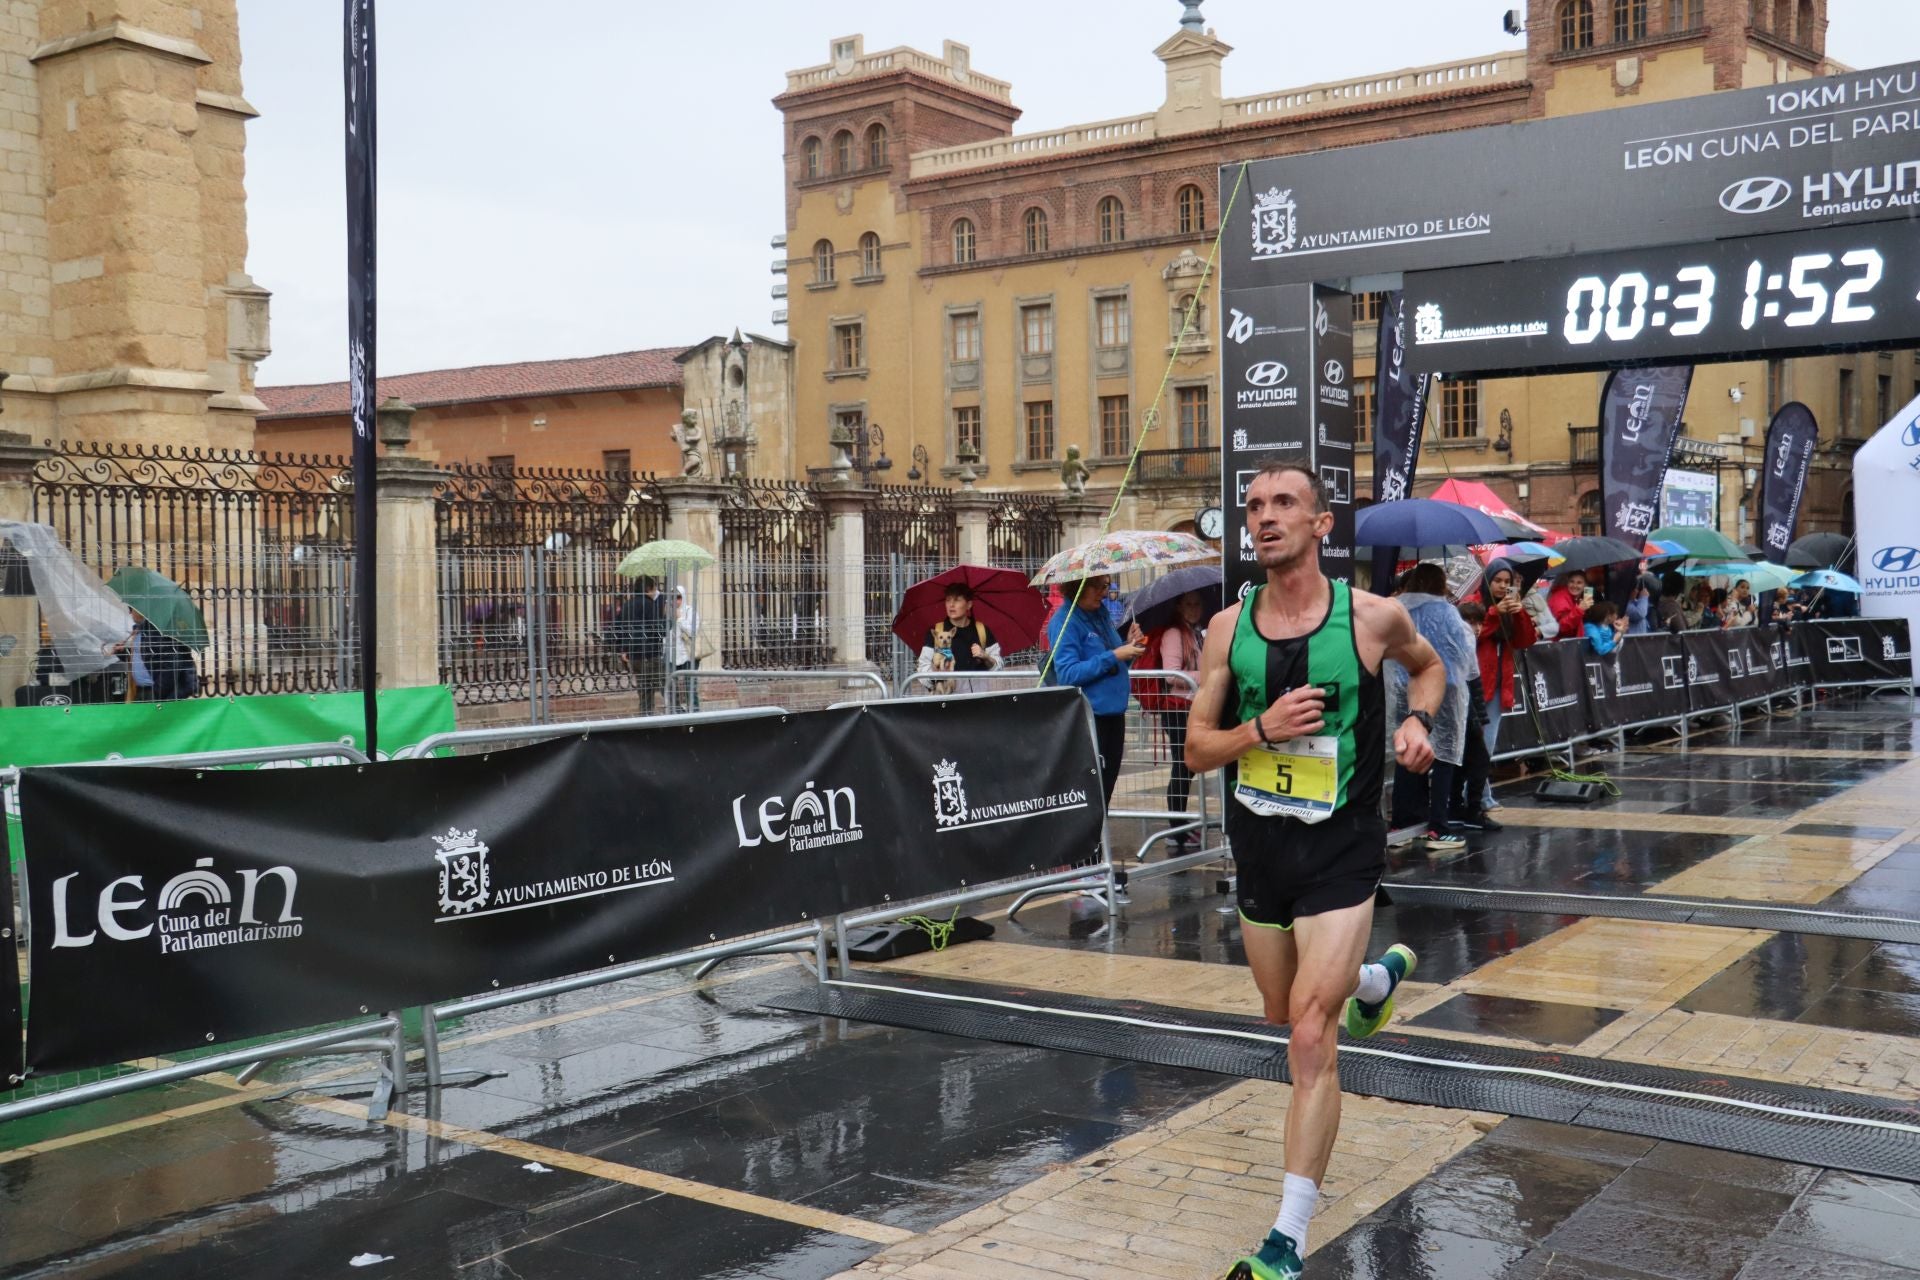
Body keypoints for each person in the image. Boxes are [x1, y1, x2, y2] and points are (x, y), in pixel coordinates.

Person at [1184, 462, 1442, 1280]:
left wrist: (1418, 723)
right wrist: (1258, 728)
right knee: (1278, 1008)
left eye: (1284, 504)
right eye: (1254, 506)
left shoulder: (1372, 618)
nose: (1265, 518)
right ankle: (1374, 982)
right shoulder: (1228, 630)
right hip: (1263, 846)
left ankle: (1285, 1241)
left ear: (1322, 524)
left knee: (1307, 1034)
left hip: (1344, 844)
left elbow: (1429, 668)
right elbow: (1195, 749)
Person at [1385, 564, 1471, 855]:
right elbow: (1465, 655)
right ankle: (1438, 826)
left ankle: (1401, 824)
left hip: (1401, 689)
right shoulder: (1448, 612)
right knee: (1442, 757)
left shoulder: (1395, 608)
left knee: (1405, 752)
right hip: (1444, 692)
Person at [1046, 573, 1143, 811]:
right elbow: (1068, 673)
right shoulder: (1064, 621)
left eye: (1106, 585)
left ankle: (1100, 844)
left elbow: (1113, 663)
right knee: (1090, 790)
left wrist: (1127, 647)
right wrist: (1115, 655)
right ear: (1079, 588)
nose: (1104, 592)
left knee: (1106, 788)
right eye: (1098, 586)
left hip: (1113, 714)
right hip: (1090, 717)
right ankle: (1090, 845)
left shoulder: (1102, 614)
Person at [1138, 590, 1206, 849]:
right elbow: (1171, 675)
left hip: (1191, 706)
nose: (1194, 608)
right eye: (1188, 604)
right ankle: (1176, 829)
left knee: (1187, 767)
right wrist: (1207, 675)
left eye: (1197, 604)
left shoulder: (1197, 633)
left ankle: (1181, 826)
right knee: (1182, 765)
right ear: (1179, 607)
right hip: (1177, 709)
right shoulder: (1174, 634)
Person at [1474, 557, 1537, 816]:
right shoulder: (1476, 607)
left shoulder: (1512, 609)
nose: (1502, 587)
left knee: (1487, 744)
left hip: (1499, 684)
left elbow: (1526, 640)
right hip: (1476, 683)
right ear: (1487, 582)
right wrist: (1493, 613)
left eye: (1507, 582)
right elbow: (1473, 636)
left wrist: (1518, 612)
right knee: (1477, 744)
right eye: (1497, 581)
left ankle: (1479, 794)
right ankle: (1478, 796)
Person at [1451, 601, 1499, 834]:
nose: (1476, 627)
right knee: (1477, 760)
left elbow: (1476, 688)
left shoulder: (1470, 645)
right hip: (1460, 712)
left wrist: (1480, 718)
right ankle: (1470, 809)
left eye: (1480, 622)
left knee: (1465, 761)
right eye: (1471, 622)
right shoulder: (1460, 645)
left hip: (1469, 713)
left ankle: (1461, 809)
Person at [917, 582, 1003, 694]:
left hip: (979, 701)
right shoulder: (937, 631)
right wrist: (938, 674)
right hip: (946, 702)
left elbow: (998, 666)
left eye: (957, 600)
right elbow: (922, 669)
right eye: (948, 600)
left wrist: (986, 657)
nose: (951, 605)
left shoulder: (982, 630)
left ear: (969, 604)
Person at [612, 577, 669, 713]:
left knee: (644, 691)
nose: (656, 592)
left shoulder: (626, 605)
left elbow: (618, 629)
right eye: (654, 588)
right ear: (648, 589)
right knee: (666, 685)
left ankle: (645, 717)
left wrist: (623, 649)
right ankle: (677, 713)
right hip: (650, 654)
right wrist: (667, 619)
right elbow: (659, 630)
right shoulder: (649, 604)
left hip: (634, 656)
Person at [126, 610, 199, 701]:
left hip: (155, 692)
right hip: (142, 690)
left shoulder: (157, 632)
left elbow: (172, 663)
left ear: (141, 611)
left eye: (131, 609)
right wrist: (121, 651)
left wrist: (157, 692)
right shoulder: (139, 631)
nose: (130, 613)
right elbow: (140, 656)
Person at [1546, 568, 1591, 639]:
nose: (1574, 585)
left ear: (1585, 585)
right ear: (1567, 583)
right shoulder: (1560, 598)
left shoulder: (1572, 598)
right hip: (1559, 646)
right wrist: (1579, 610)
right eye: (1571, 582)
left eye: (1579, 583)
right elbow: (1560, 627)